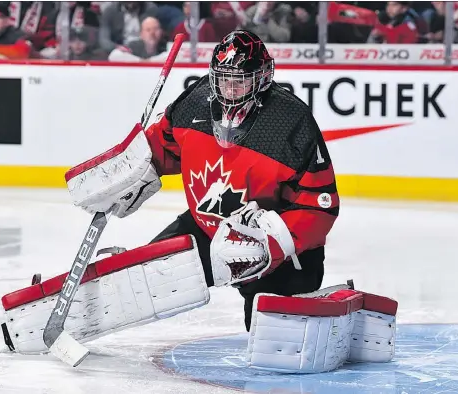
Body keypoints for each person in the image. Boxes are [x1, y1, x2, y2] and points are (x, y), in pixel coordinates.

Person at [87, 29, 339, 331]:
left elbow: (320, 204)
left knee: (276, 338)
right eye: (224, 79)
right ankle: (84, 314)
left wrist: (275, 243)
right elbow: (162, 147)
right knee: (147, 278)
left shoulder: (291, 121)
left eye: (240, 80)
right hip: (207, 227)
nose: (230, 88)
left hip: (277, 250)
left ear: (262, 77)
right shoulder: (195, 102)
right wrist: (129, 174)